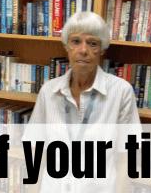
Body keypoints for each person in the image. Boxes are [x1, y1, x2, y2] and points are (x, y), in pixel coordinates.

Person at [23, 11, 140, 192]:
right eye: (76, 41)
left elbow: (128, 160)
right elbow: (35, 156)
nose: (83, 50)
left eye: (92, 43)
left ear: (102, 50)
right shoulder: (48, 91)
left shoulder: (121, 92)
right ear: (66, 46)